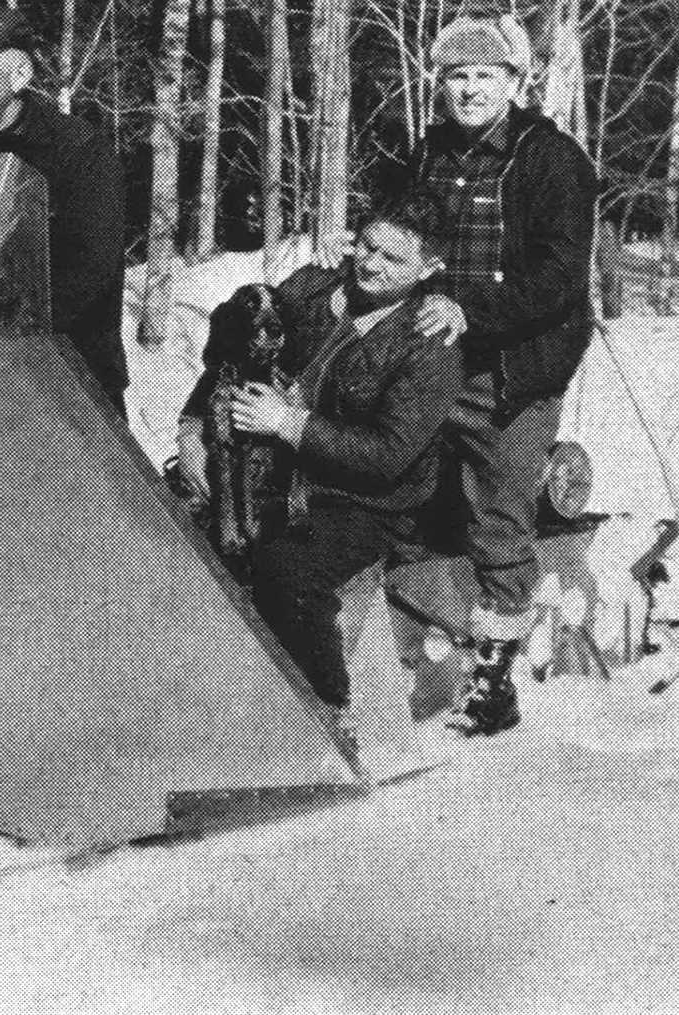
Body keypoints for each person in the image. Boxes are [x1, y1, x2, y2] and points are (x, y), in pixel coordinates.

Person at [177, 193, 464, 742]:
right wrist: (195, 424)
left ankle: (324, 716)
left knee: (285, 568)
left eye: (394, 260)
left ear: (429, 270)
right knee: (164, 544)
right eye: (366, 247)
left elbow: (387, 457)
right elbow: (235, 342)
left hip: (363, 501)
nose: (372, 265)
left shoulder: (430, 344)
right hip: (272, 476)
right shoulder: (312, 292)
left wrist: (292, 425)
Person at [394, 14, 596, 736]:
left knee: (500, 517)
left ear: (515, 82)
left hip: (514, 370)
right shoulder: (429, 153)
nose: (470, 88)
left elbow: (559, 279)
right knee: (407, 500)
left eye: (486, 75)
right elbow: (398, 236)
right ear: (439, 84)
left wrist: (468, 310)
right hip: (430, 358)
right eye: (456, 75)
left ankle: (493, 681)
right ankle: (415, 655)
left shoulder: (553, 160)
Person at [0, 2, 128, 415]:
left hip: (65, 382)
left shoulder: (78, 151)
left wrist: (5, 334)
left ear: (20, 74)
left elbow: (91, 268)